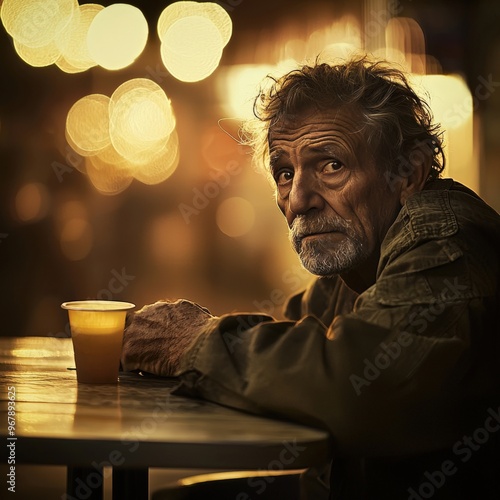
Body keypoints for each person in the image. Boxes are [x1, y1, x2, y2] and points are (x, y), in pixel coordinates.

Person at [121, 57, 500, 499]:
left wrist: (193, 343)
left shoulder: (444, 243)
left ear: (409, 174)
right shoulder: (353, 270)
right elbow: (290, 354)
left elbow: (355, 389)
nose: (299, 199)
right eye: (286, 173)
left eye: (331, 166)